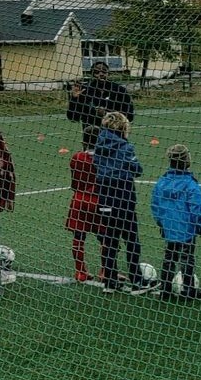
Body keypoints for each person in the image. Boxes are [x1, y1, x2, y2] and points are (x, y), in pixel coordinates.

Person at [93, 111, 154, 294]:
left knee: (110, 239)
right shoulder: (125, 146)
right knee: (131, 239)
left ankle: (110, 281)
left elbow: (96, 166)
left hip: (104, 196)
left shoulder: (99, 145)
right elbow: (137, 169)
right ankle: (137, 281)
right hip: (123, 195)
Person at [151, 144, 201, 301]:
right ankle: (188, 290)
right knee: (187, 259)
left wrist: (161, 223)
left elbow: (155, 205)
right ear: (187, 161)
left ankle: (165, 290)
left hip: (169, 228)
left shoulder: (162, 182)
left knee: (169, 258)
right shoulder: (190, 184)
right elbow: (197, 207)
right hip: (186, 230)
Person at [65, 125, 103, 283]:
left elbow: (74, 182)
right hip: (99, 201)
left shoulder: (76, 157)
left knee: (78, 236)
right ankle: (105, 270)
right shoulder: (104, 158)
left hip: (79, 200)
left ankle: (80, 271)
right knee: (106, 237)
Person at [67, 61, 135, 129]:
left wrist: (107, 114)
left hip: (114, 131)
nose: (101, 74)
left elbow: (129, 116)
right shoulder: (84, 91)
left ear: (108, 73)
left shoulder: (119, 90)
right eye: (97, 72)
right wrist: (74, 98)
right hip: (91, 132)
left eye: (104, 71)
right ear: (92, 74)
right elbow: (73, 118)